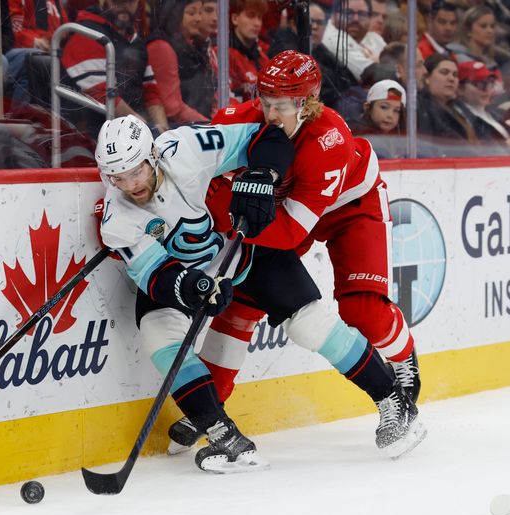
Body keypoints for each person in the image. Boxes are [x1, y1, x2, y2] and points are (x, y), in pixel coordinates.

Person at [168, 50, 426, 459]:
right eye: (266, 102)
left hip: (349, 208)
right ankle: (211, 406)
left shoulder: (329, 141)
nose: (270, 115)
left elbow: (290, 232)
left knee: (361, 310)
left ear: (308, 103)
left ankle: (401, 359)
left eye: (282, 106)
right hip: (283, 212)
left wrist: (232, 214)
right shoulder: (236, 121)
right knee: (243, 300)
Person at [96, 114, 292, 472]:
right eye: (117, 177)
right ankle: (225, 435)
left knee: (303, 315)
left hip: (232, 252)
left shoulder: (185, 148)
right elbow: (156, 274)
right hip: (182, 274)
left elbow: (265, 137)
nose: (129, 184)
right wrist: (196, 287)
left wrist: (264, 175)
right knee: (159, 336)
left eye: (135, 171)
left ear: (152, 155)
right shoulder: (116, 219)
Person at [61, 0, 169, 136]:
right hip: (92, 134)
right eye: (118, 1)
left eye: (130, 2)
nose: (124, 5)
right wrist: (146, 129)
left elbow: (151, 92)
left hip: (130, 131)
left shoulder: (135, 41)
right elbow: (103, 96)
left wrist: (164, 132)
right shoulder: (87, 33)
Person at [147, 0, 215, 123]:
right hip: (180, 129)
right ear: (174, 13)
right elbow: (172, 108)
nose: (199, 18)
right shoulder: (161, 47)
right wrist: (211, 124)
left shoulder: (194, 47)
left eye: (200, 12)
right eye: (191, 13)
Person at [454, 60, 510, 155]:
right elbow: (474, 155)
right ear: (460, 88)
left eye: (490, 83)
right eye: (480, 84)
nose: (487, 89)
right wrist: (507, 147)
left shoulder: (496, 113)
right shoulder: (459, 119)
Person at [416, 53, 477, 156]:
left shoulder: (459, 107)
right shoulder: (421, 107)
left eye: (455, 75)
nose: (451, 79)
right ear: (427, 77)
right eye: (444, 72)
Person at [322, 0, 386, 82]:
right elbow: (369, 74)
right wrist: (384, 62)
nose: (356, 19)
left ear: (370, 18)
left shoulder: (373, 37)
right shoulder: (331, 38)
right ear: (333, 15)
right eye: (348, 13)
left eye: (361, 14)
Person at [348, 79, 407, 158]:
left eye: (396, 110)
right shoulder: (356, 133)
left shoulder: (400, 137)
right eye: (384, 107)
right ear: (367, 107)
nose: (390, 115)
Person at [227, 0, 270, 104]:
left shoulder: (263, 58)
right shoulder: (224, 55)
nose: (257, 23)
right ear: (235, 19)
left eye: (259, 18)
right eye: (250, 16)